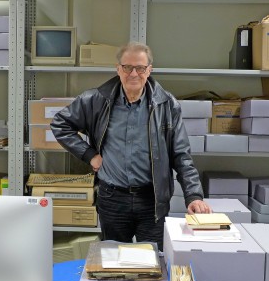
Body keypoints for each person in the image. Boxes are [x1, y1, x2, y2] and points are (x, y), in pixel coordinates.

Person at [50, 41, 211, 250]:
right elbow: (60, 124)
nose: (133, 74)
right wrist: (89, 154)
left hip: (151, 201)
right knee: (114, 263)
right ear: (118, 69)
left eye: (140, 68)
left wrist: (194, 195)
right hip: (112, 198)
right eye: (127, 67)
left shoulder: (167, 105)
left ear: (149, 70)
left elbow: (181, 155)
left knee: (153, 263)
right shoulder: (97, 99)